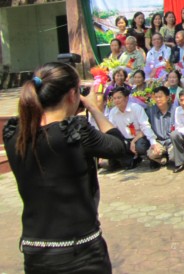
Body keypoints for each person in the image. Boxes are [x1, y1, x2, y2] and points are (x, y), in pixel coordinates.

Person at [3, 62, 128, 273]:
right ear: (72, 95)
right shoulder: (74, 132)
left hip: (35, 251)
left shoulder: (15, 133)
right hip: (81, 252)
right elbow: (118, 146)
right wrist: (93, 108)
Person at [107, 86, 161, 170]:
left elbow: (145, 126)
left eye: (119, 98)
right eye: (114, 98)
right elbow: (113, 130)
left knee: (140, 146)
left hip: (139, 137)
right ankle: (131, 158)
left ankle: (151, 158)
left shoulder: (136, 108)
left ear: (126, 98)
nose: (116, 100)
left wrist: (152, 142)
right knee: (126, 163)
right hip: (124, 140)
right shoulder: (113, 112)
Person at [145, 86, 175, 168]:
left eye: (160, 97)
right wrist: (153, 143)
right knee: (151, 154)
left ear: (167, 97)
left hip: (172, 142)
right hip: (159, 142)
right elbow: (145, 127)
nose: (158, 99)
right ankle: (162, 159)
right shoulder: (150, 111)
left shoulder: (175, 110)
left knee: (174, 157)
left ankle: (170, 157)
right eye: (156, 97)